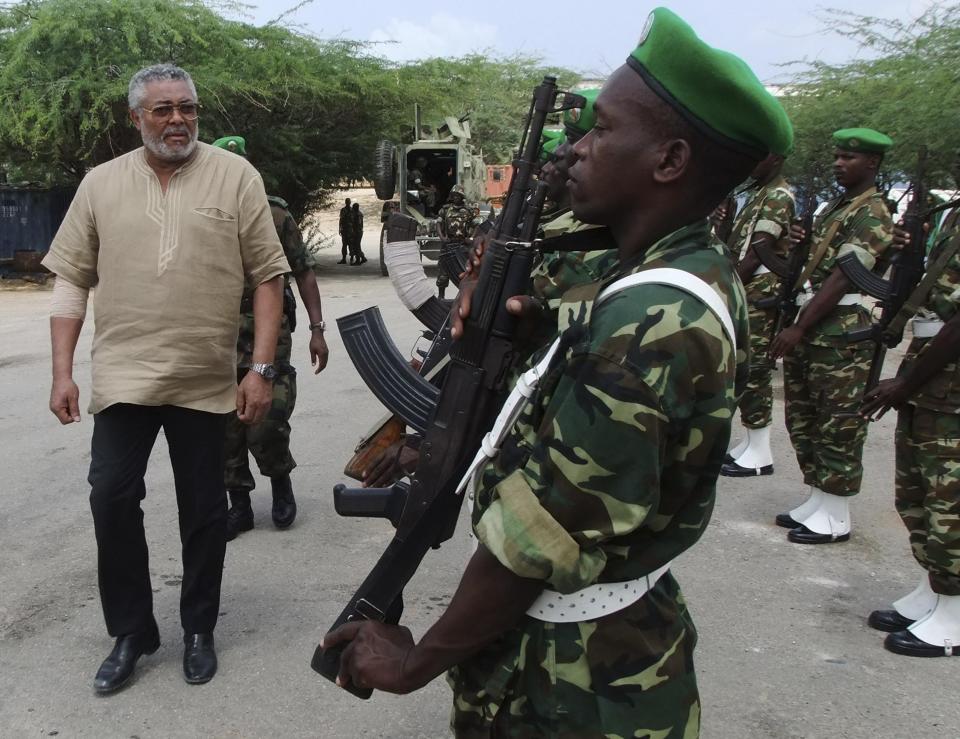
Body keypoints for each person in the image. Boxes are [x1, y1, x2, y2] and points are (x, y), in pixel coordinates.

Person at [322, 9, 792, 736]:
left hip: (575, 681)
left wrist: (415, 664)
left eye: (600, 130)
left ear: (668, 162)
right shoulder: (667, 272)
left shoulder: (649, 323)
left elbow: (531, 541)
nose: (572, 150)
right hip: (583, 649)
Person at [42, 64, 290, 692]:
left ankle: (199, 628)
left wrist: (259, 368)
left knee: (204, 510)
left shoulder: (236, 177)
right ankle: (132, 631)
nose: (178, 119)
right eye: (162, 109)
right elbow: (71, 277)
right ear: (136, 118)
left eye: (188, 108)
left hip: (206, 376)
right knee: (111, 497)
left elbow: (268, 275)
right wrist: (62, 372)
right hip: (124, 375)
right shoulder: (100, 185)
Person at [770, 128, 894, 544]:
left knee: (839, 423)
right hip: (815, 323)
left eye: (849, 158)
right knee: (805, 416)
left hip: (842, 332)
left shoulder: (872, 212)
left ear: (872, 164)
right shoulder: (835, 208)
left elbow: (844, 276)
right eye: (838, 156)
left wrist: (800, 326)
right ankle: (819, 497)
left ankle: (836, 513)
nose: (839, 163)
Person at [211, 135, 330, 541]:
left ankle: (280, 481)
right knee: (224, 427)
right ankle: (239, 505)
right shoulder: (202, 214)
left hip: (268, 332)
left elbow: (304, 271)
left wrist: (317, 329)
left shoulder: (275, 215)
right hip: (218, 336)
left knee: (267, 420)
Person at [861, 204, 960, 657]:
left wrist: (905, 382)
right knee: (917, 493)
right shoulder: (953, 215)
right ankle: (936, 588)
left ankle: (955, 613)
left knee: (950, 503)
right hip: (932, 379)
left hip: (948, 387)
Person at [721, 152, 795, 477]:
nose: (752, 162)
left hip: (760, 294)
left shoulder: (778, 196)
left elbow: (757, 251)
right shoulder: (759, 194)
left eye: (759, 156)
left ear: (776, 159)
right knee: (744, 368)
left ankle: (760, 450)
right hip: (750, 291)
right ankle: (752, 443)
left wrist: (728, 290)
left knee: (755, 370)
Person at [338, 198, 352, 264]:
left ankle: (346, 259)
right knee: (347, 244)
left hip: (347, 230)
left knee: (346, 244)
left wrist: (340, 228)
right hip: (347, 230)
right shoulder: (351, 210)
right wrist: (340, 228)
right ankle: (347, 259)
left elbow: (341, 220)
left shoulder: (344, 210)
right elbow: (341, 220)